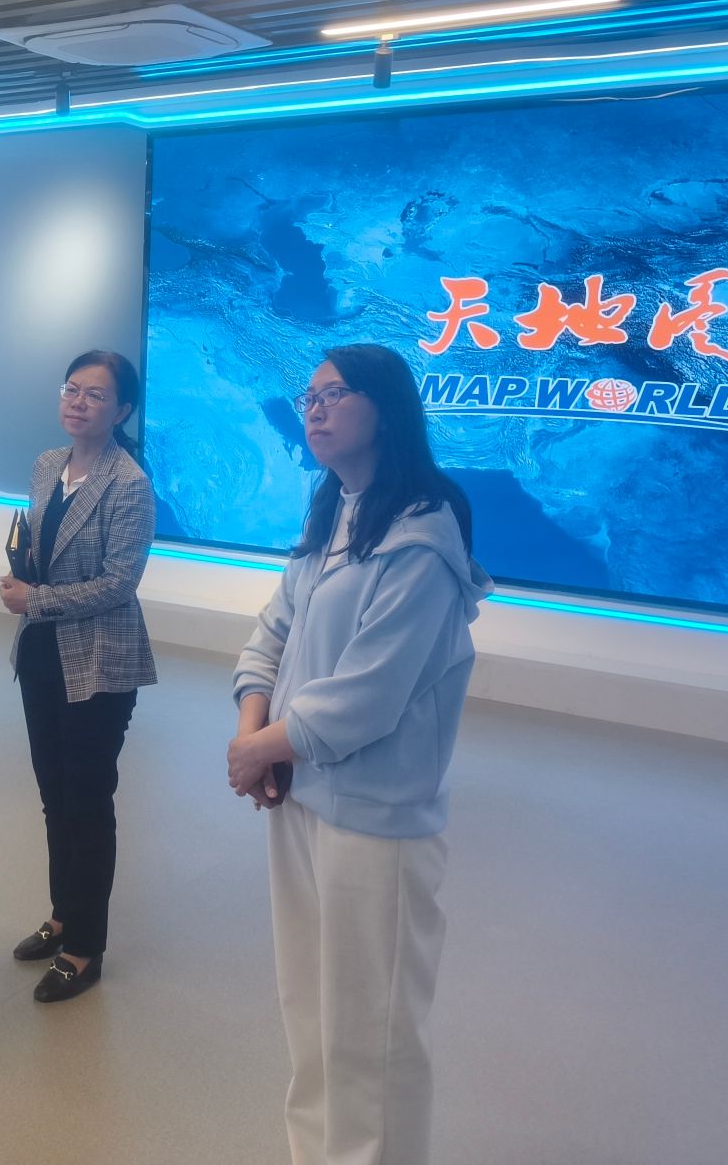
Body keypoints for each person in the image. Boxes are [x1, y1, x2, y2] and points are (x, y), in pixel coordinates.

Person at [226, 343, 490, 1165]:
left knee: (371, 1037)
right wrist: (252, 733)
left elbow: (367, 696)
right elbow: (272, 632)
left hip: (375, 821)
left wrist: (260, 751)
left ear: (386, 409)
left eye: (335, 393)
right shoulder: (335, 512)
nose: (315, 408)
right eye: (309, 395)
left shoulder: (423, 537)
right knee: (310, 1014)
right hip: (301, 798)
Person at [0, 350, 156, 1003]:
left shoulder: (130, 483)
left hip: (100, 661)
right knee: (54, 796)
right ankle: (63, 915)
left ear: (122, 411)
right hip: (41, 651)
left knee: (87, 804)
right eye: (72, 389)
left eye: (95, 395)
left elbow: (119, 584)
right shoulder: (46, 465)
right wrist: (22, 574)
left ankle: (85, 948)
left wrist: (35, 598)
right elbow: (42, 547)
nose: (78, 402)